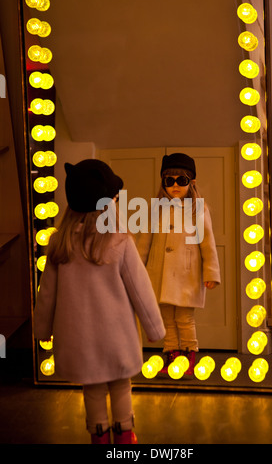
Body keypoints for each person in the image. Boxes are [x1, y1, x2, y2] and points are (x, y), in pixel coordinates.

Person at [34, 159, 165, 444]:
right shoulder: (119, 242)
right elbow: (141, 292)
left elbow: (47, 296)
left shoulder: (59, 244)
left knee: (92, 389)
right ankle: (125, 435)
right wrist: (155, 330)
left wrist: (42, 331)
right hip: (116, 339)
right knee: (121, 386)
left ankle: (99, 436)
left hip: (79, 341)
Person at [136, 153, 221, 375]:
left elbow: (207, 243)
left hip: (187, 274)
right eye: (169, 180)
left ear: (191, 183)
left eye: (181, 180)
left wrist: (211, 273)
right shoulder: (154, 210)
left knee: (184, 317)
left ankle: (189, 355)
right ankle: (172, 354)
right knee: (166, 317)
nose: (175, 186)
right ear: (163, 183)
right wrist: (137, 270)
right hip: (158, 273)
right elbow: (143, 242)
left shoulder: (198, 210)